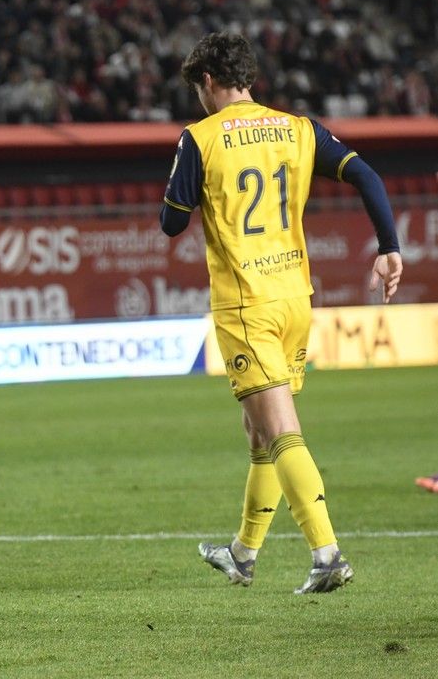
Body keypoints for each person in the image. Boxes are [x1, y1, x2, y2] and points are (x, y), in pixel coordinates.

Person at [160, 32, 403, 593]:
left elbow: (172, 223)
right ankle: (243, 553)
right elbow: (367, 175)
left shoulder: (200, 138)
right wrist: (389, 247)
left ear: (208, 82)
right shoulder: (299, 129)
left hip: (245, 302)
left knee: (281, 429)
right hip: (295, 296)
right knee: (258, 429)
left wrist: (187, 191)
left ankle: (326, 553)